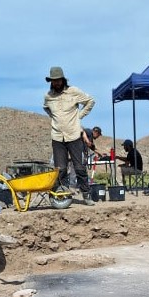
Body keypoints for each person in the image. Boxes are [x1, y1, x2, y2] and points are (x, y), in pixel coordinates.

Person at [43, 66, 96, 205]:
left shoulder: (73, 91)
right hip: (57, 137)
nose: (56, 83)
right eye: (54, 81)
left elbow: (90, 101)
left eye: (58, 80)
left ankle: (86, 195)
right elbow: (46, 108)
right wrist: (54, 118)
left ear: (63, 80)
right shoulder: (48, 96)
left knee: (79, 167)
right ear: (51, 81)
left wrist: (79, 116)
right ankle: (61, 196)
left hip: (73, 135)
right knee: (60, 169)